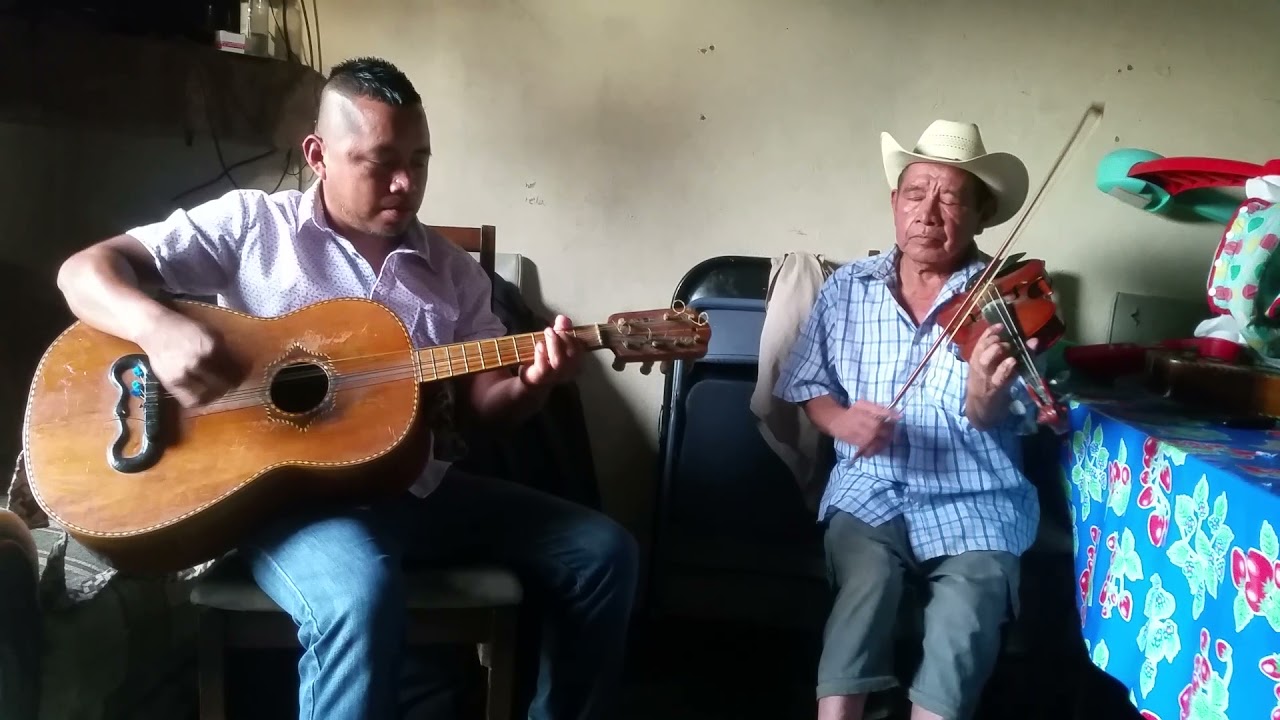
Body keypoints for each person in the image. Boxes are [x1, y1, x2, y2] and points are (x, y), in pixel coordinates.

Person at [54, 56, 638, 720]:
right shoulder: (252, 226)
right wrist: (156, 328)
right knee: (362, 593)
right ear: (318, 154)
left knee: (604, 552)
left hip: (418, 488)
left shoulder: (453, 276)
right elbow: (84, 271)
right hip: (281, 500)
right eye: (379, 161)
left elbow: (487, 409)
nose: (404, 182)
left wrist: (533, 384)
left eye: (419, 161)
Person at [775, 119, 1038, 720]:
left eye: (950, 198)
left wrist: (984, 397)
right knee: (863, 587)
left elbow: (1006, 413)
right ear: (894, 203)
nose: (928, 212)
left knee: (968, 612)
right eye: (916, 193)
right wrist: (840, 422)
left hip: (976, 496)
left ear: (981, 215)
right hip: (870, 489)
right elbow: (810, 384)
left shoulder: (1005, 300)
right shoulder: (847, 288)